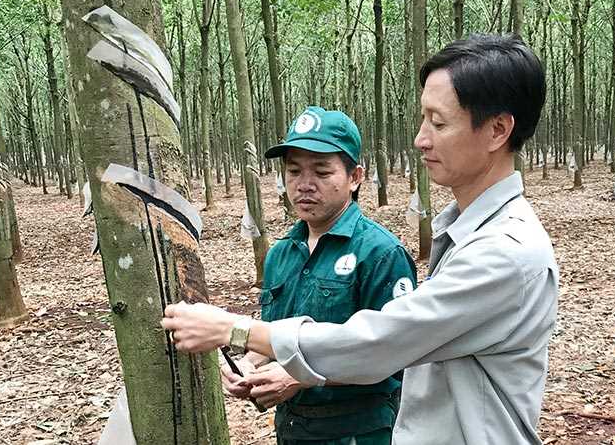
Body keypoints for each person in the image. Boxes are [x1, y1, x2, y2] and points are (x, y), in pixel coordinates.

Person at [163, 33, 558, 445]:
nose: (422, 139)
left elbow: (379, 342)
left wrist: (236, 329)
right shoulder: (466, 233)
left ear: (497, 130)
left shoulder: (504, 254)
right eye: (423, 120)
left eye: (439, 122)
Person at [219, 106, 416, 445]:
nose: (304, 185)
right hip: (293, 429)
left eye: (322, 172)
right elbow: (276, 336)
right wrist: (249, 365)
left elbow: (395, 357)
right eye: (294, 171)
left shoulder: (381, 254)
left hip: (359, 432)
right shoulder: (281, 254)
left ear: (355, 177)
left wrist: (297, 377)